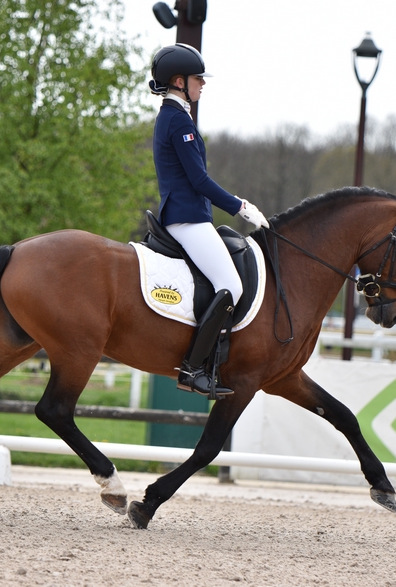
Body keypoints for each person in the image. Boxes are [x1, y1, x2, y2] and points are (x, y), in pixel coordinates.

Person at [148, 43, 269, 398]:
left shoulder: (175, 117)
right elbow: (199, 181)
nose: (203, 83)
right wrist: (239, 206)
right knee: (230, 285)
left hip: (189, 216)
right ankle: (193, 368)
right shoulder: (177, 120)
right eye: (197, 78)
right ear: (178, 81)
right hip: (187, 219)